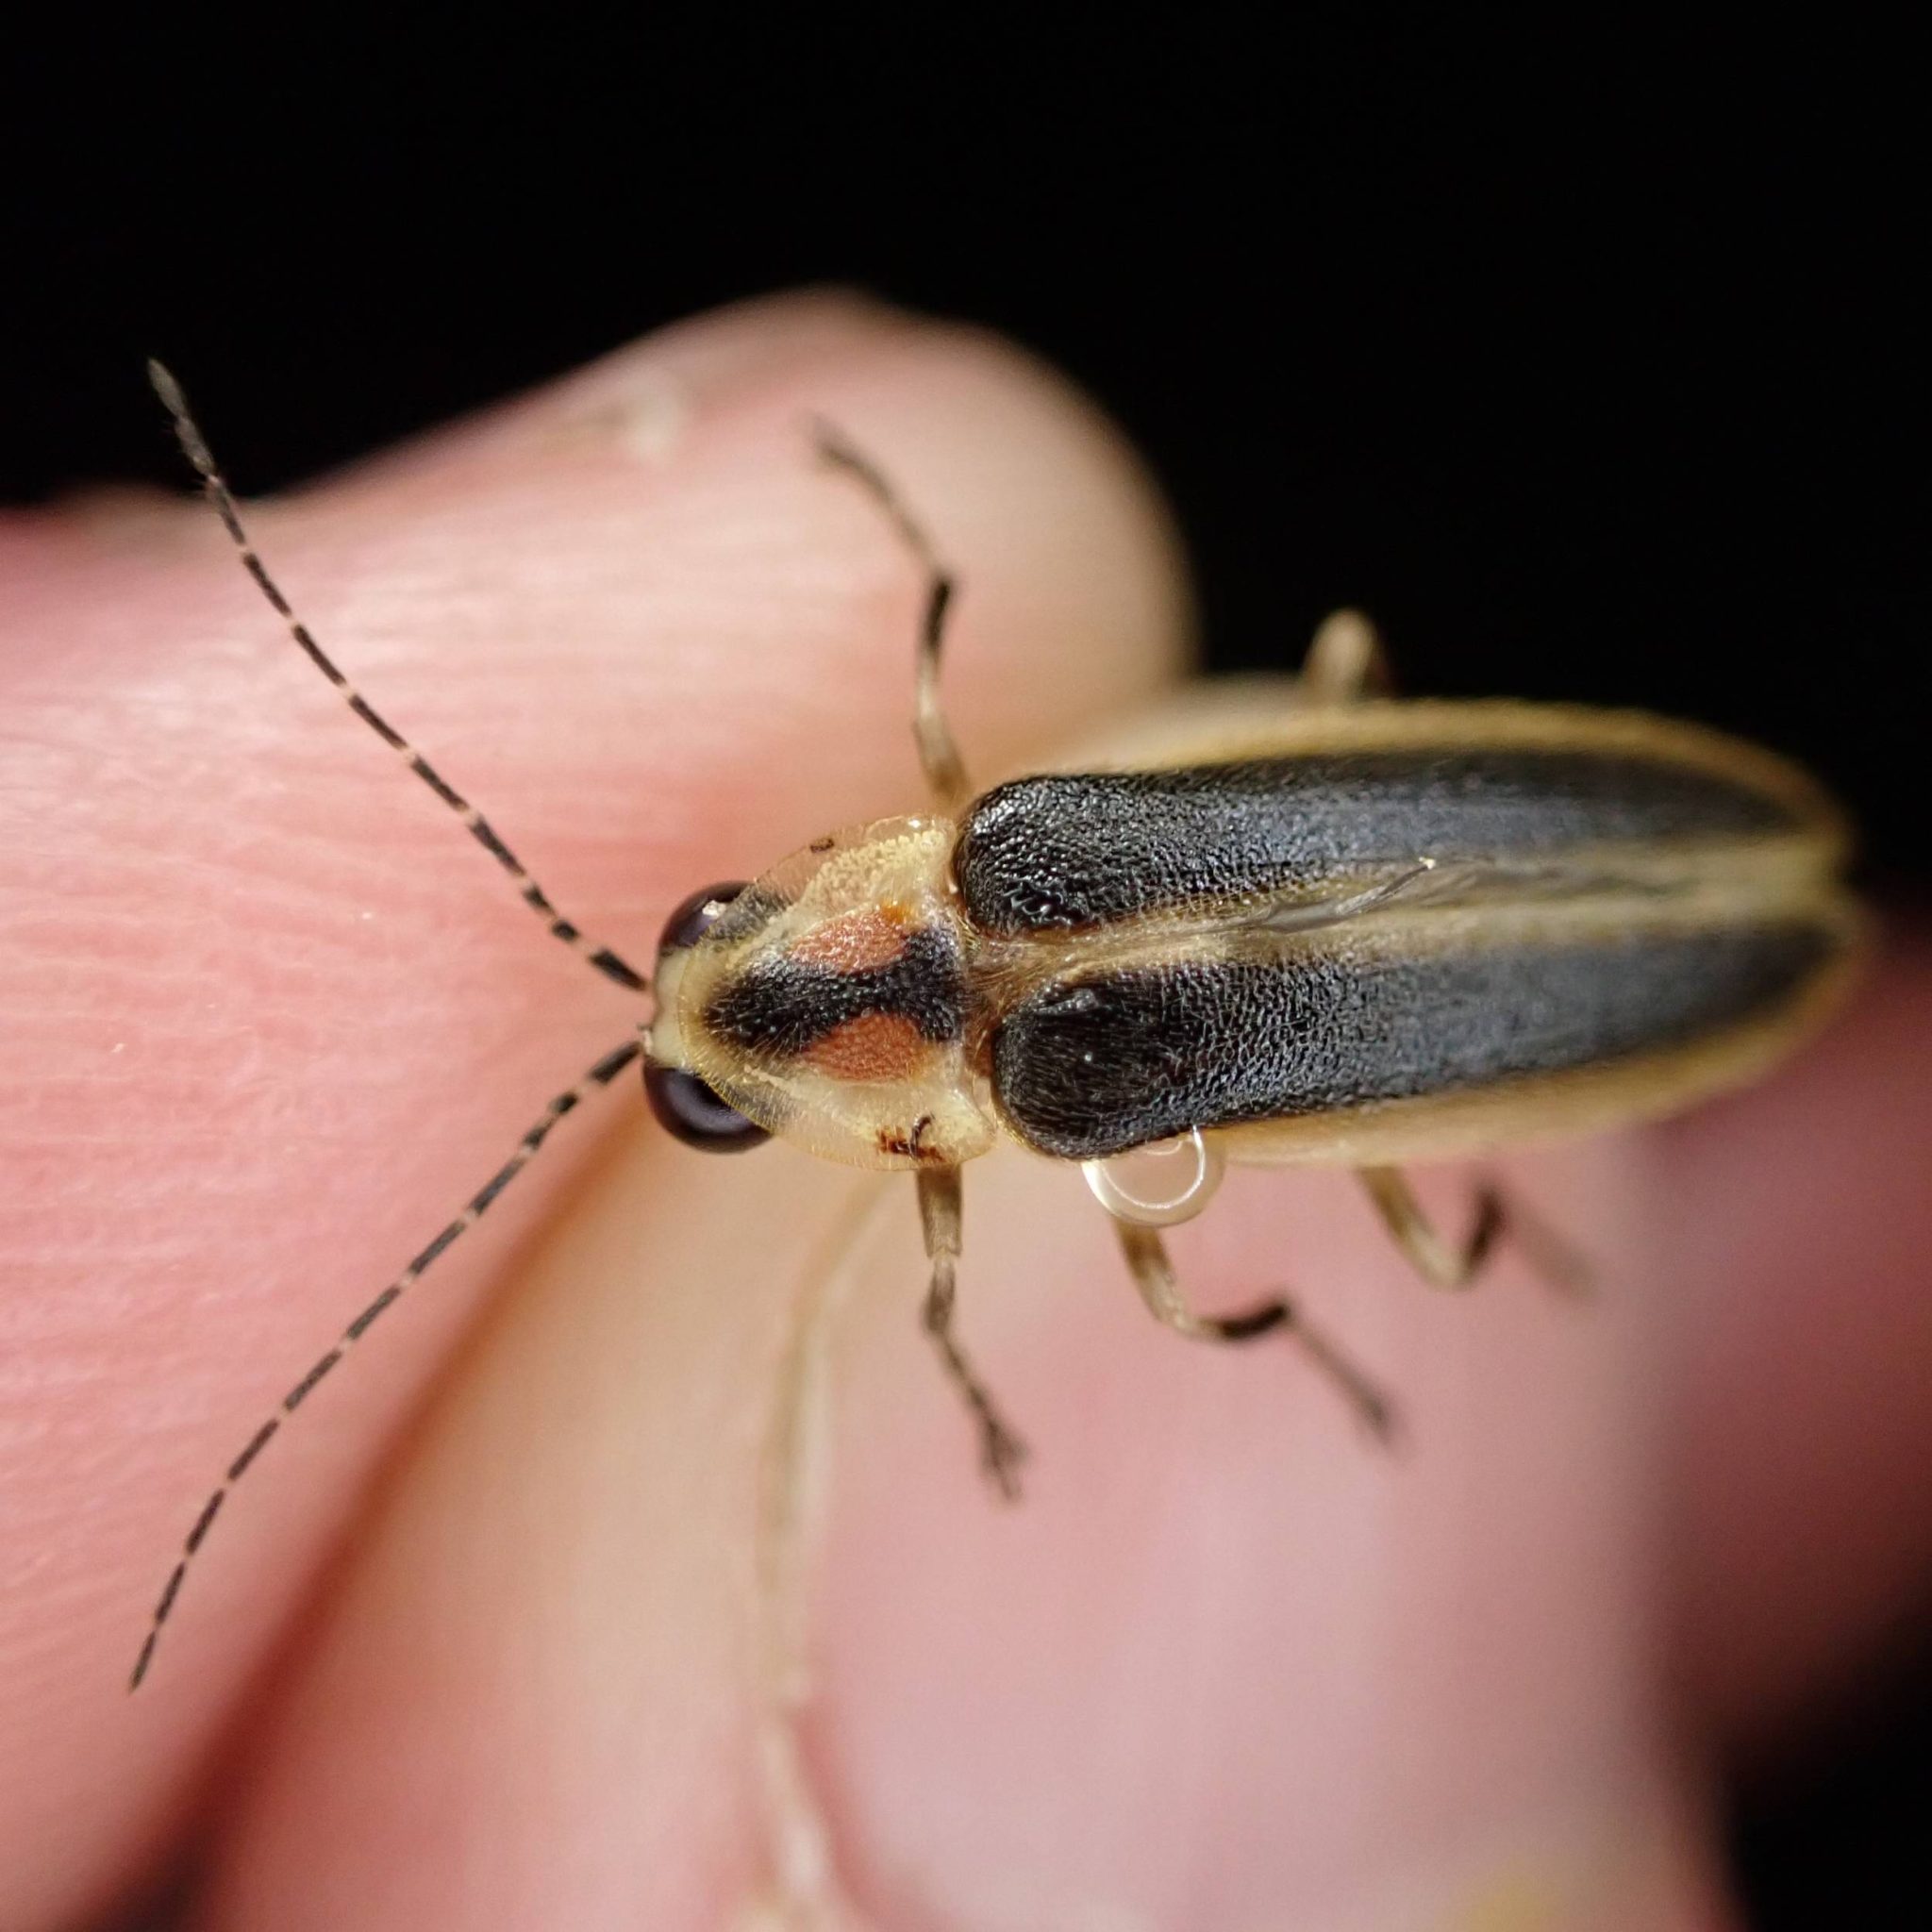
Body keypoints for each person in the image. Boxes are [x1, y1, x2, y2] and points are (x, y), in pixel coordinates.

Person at [6, 293, 1928, 1931]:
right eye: (726, 1053)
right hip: (1577, 881)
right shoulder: (1005, 841)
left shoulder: (1036, 1057)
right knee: (1335, 696)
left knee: (1189, 1283)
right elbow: (933, 633)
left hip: (1587, 956)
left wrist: (1024, 1392)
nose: (721, 969)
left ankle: (1485, 1228)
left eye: (709, 943)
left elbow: (1025, 1301)